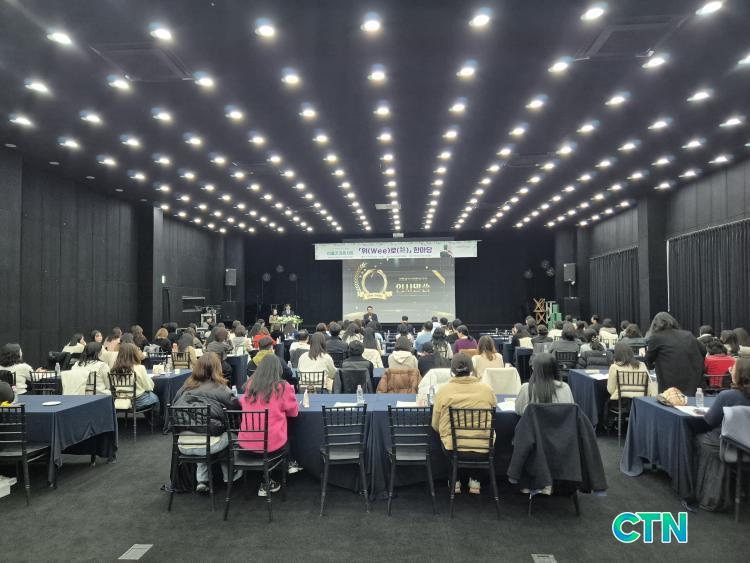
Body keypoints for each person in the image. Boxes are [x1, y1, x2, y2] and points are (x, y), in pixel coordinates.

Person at [173, 353, 240, 493]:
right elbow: (237, 411)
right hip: (210, 445)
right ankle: (230, 476)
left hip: (183, 444)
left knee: (200, 429)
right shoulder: (222, 390)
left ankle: (202, 480)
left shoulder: (184, 388)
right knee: (233, 435)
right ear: (217, 368)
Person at [431, 353, 496, 495]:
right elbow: (493, 409)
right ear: (471, 369)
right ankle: (475, 481)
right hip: (484, 448)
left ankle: (455, 481)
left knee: (448, 439)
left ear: (452, 370)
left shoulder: (443, 391)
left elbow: (435, 424)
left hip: (453, 449)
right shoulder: (487, 389)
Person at [693, 358, 750, 511]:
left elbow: (710, 421)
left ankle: (705, 491)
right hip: (746, 448)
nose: (730, 370)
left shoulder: (727, 396)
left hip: (729, 446)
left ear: (739, 374)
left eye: (733, 369)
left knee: (698, 439)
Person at [239, 353, 299, 496]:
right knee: (287, 432)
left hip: (245, 445)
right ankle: (289, 462)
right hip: (271, 447)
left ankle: (273, 474)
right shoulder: (283, 387)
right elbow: (293, 413)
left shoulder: (249, 385)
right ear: (278, 369)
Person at [645, 312, 704, 395]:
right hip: (692, 380)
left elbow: (648, 360)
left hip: (670, 381)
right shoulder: (688, 335)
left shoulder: (656, 338)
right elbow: (703, 350)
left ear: (654, 325)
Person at [112, 343, 160, 418]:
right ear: (134, 354)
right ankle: (154, 422)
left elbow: (113, 386)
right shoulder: (139, 368)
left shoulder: (114, 369)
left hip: (120, 400)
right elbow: (149, 387)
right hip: (138, 401)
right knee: (155, 398)